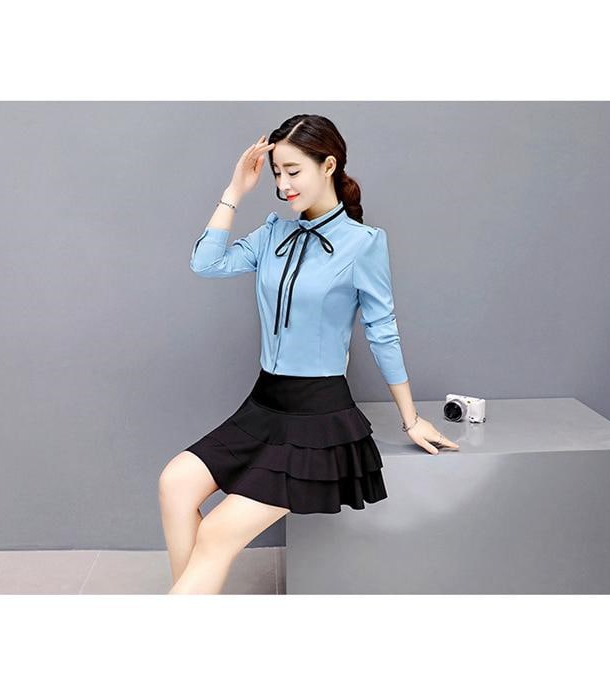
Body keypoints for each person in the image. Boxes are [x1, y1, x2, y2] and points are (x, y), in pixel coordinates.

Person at [159, 114, 459, 594]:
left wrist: (411, 420)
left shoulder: (363, 244)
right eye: (277, 173)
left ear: (329, 165)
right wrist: (235, 190)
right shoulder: (272, 233)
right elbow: (206, 263)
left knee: (216, 534)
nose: (282, 184)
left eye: (293, 171)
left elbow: (383, 332)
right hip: (263, 406)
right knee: (175, 483)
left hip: (317, 416)